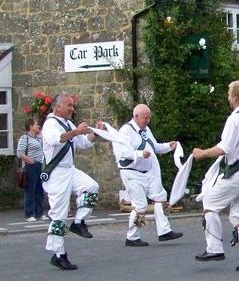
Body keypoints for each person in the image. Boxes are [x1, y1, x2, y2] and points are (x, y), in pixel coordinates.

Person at [193, 80, 239, 273]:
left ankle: (215, 248)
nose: (227, 96)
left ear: (234, 97)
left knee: (209, 202)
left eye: (228, 93)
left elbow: (225, 148)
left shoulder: (235, 118)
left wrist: (203, 153)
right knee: (238, 217)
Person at [41, 92, 104, 270]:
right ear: (57, 106)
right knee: (59, 215)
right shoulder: (50, 124)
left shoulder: (67, 123)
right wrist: (76, 131)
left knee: (92, 187)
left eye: (72, 105)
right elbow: (58, 139)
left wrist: (96, 133)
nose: (72, 108)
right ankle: (59, 254)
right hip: (56, 174)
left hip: (70, 170)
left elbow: (83, 142)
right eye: (69, 105)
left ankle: (78, 222)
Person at [118, 104, 183, 247]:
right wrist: (140, 154)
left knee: (160, 197)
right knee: (140, 206)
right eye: (145, 118)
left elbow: (154, 147)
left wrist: (168, 146)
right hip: (131, 173)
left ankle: (164, 231)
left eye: (149, 118)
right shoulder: (125, 131)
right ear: (136, 116)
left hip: (148, 173)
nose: (147, 121)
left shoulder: (146, 130)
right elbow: (122, 153)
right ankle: (132, 237)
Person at [16, 118, 47, 222]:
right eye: (36, 124)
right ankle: (29, 214)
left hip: (40, 165)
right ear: (30, 126)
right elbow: (20, 153)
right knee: (30, 190)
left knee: (40, 190)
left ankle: (39, 213)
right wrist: (30, 161)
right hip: (31, 167)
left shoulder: (38, 138)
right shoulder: (25, 138)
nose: (38, 126)